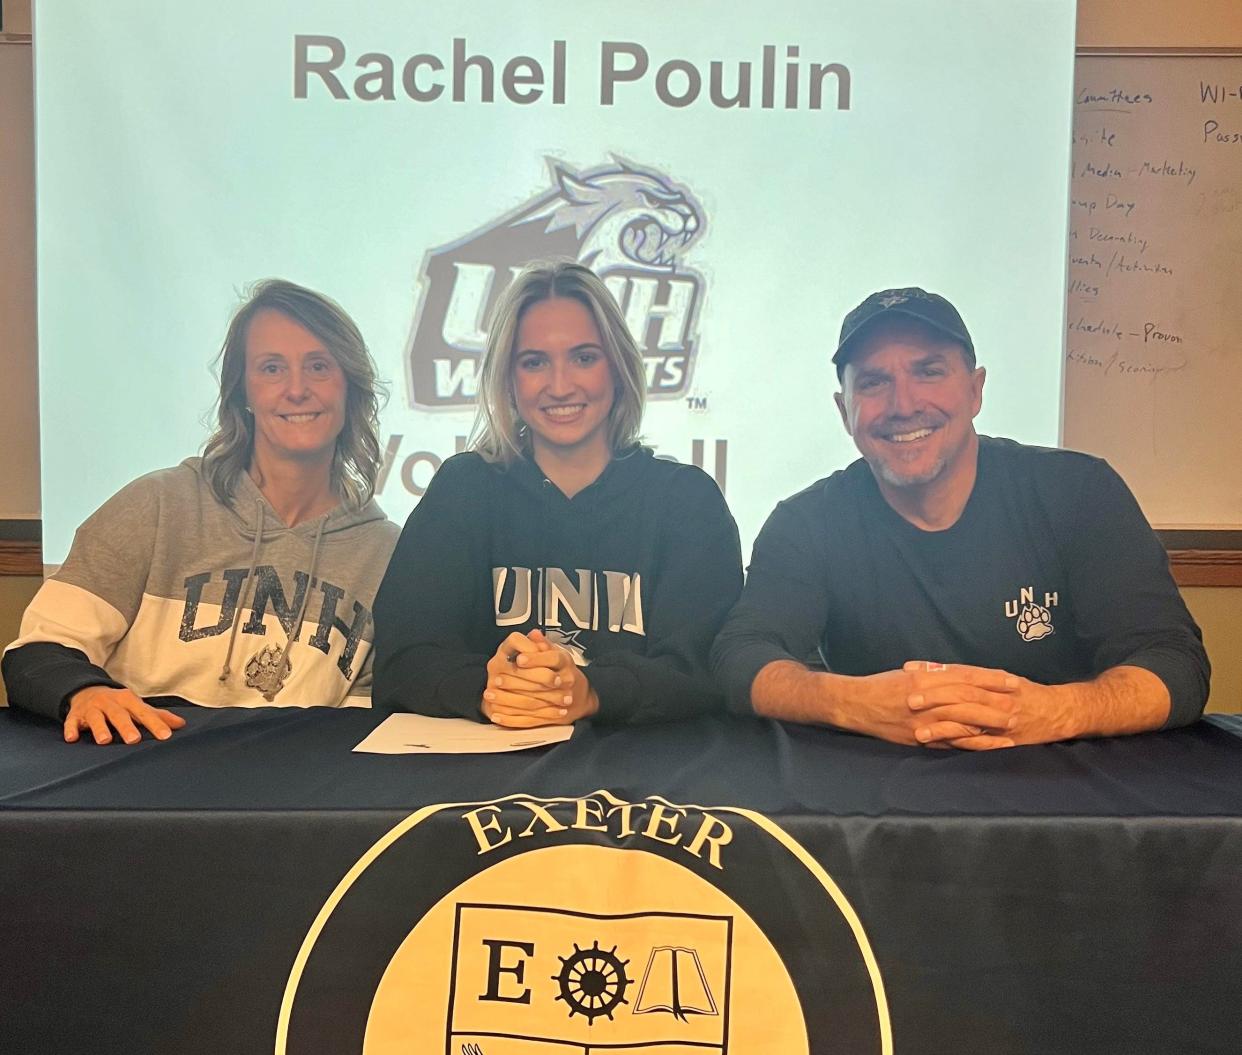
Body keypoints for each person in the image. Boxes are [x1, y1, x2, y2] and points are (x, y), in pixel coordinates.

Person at [712, 286, 1209, 750]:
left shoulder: (1079, 492)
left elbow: (1174, 664)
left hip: (1068, 796)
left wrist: (1055, 710)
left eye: (929, 371)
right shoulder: (806, 522)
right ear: (845, 411)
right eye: (874, 382)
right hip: (873, 809)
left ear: (975, 390)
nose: (904, 404)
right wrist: (853, 703)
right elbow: (741, 658)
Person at [2, 279, 400, 744]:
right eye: (271, 368)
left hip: (292, 797)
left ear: (351, 388)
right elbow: (37, 653)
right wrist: (86, 691)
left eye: (318, 366)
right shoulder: (156, 506)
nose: (297, 389)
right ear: (242, 393)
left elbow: (366, 723)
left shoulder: (388, 553)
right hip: (138, 775)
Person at [372, 259, 741, 727]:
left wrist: (592, 692)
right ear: (508, 378)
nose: (560, 385)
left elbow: (705, 673)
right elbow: (403, 661)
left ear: (619, 368)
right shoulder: (462, 490)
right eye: (534, 362)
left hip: (644, 787)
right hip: (480, 786)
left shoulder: (688, 501)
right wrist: (489, 687)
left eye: (585, 357)